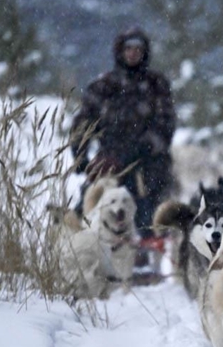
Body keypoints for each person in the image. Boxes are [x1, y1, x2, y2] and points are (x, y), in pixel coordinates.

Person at [70, 27, 176, 247]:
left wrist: (141, 149)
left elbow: (165, 125)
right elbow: (83, 122)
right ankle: (79, 245)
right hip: (109, 158)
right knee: (91, 200)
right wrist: (80, 154)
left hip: (147, 159)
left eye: (138, 49)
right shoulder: (103, 85)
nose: (133, 53)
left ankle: (147, 251)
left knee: (147, 200)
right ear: (120, 51)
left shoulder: (157, 85)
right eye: (128, 48)